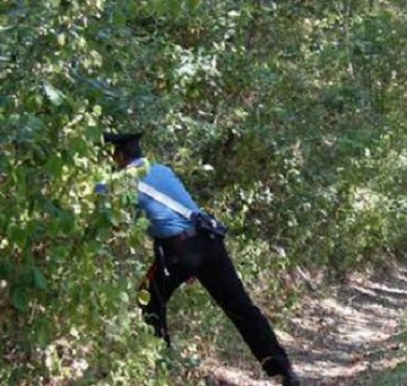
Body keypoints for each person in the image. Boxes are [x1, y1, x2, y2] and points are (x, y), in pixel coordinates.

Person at [101, 132, 300, 386]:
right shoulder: (162, 170)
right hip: (209, 243)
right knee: (242, 308)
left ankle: (162, 369)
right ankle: (284, 371)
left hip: (180, 251)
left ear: (118, 155)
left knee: (148, 300)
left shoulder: (122, 180)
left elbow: (96, 198)